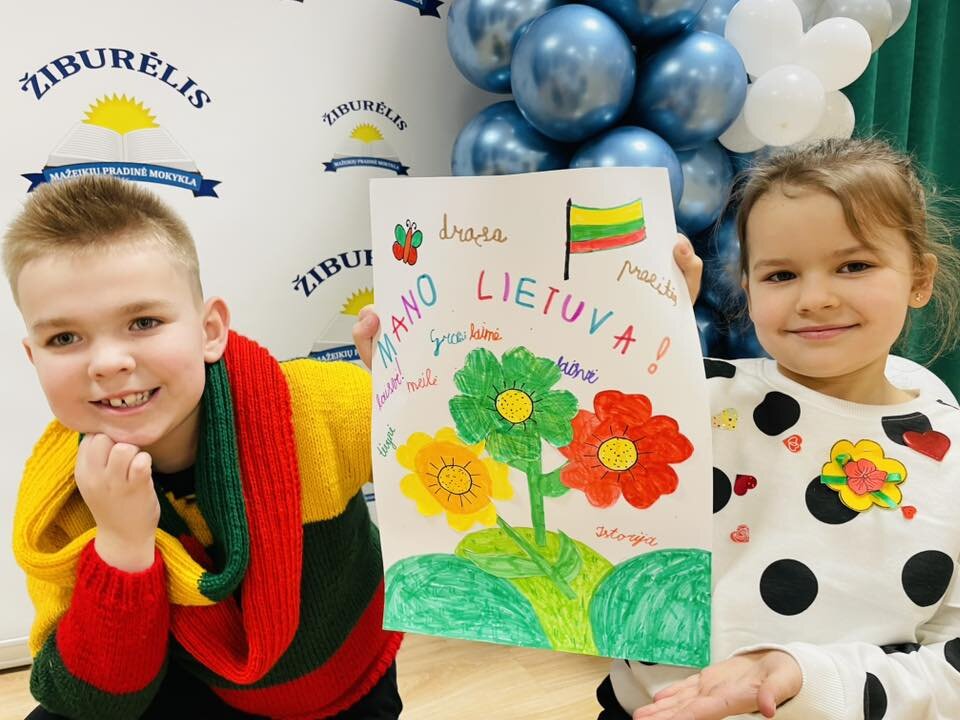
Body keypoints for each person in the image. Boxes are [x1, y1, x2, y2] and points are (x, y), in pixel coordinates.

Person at [353, 137, 960, 719]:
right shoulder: (695, 397)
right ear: (747, 288)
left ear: (919, 279)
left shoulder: (948, 458)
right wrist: (420, 378)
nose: (816, 298)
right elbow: (532, 453)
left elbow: (949, 670)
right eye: (780, 275)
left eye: (854, 265)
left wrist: (806, 677)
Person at [4, 175, 403, 720]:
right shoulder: (60, 499)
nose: (108, 363)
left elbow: (481, 482)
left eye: (143, 322)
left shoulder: (321, 407)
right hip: (181, 674)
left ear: (210, 330)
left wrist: (416, 409)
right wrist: (122, 546)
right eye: (64, 339)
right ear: (34, 357)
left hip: (337, 684)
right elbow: (90, 701)